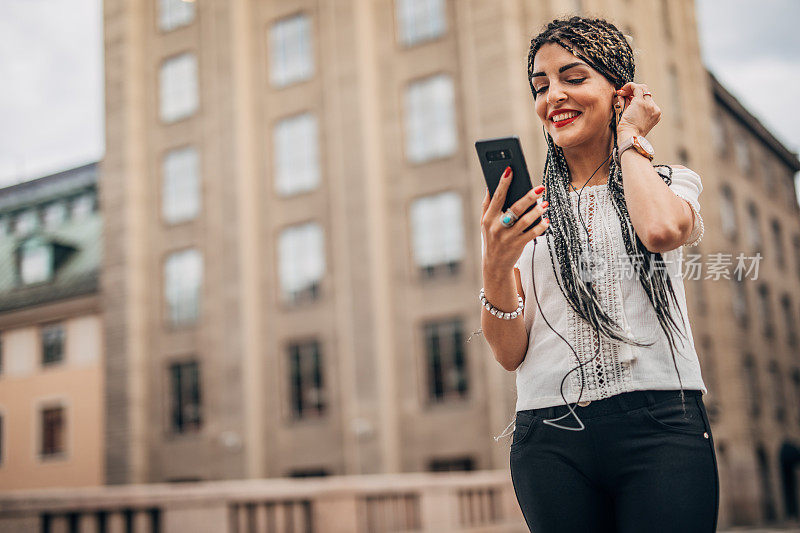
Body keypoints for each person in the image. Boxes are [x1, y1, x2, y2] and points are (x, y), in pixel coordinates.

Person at [478, 15, 718, 533]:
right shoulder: (528, 209)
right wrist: (496, 261)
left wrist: (628, 136)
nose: (553, 97)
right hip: (550, 437)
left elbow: (658, 231)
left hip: (661, 426)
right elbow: (508, 352)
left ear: (620, 92)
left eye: (574, 77)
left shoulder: (669, 182)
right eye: (541, 87)